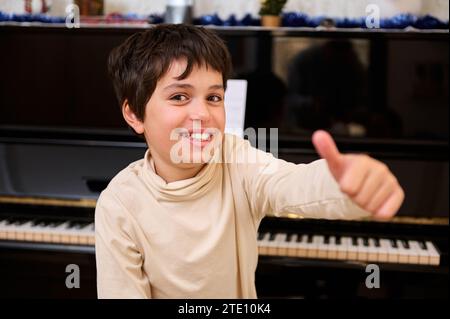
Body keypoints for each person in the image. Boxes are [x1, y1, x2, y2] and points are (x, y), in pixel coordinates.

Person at [95, 24, 404, 298]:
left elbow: (293, 184)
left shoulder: (237, 160)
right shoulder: (119, 204)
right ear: (134, 114)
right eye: (179, 97)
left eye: (214, 97)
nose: (202, 114)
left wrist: (346, 184)